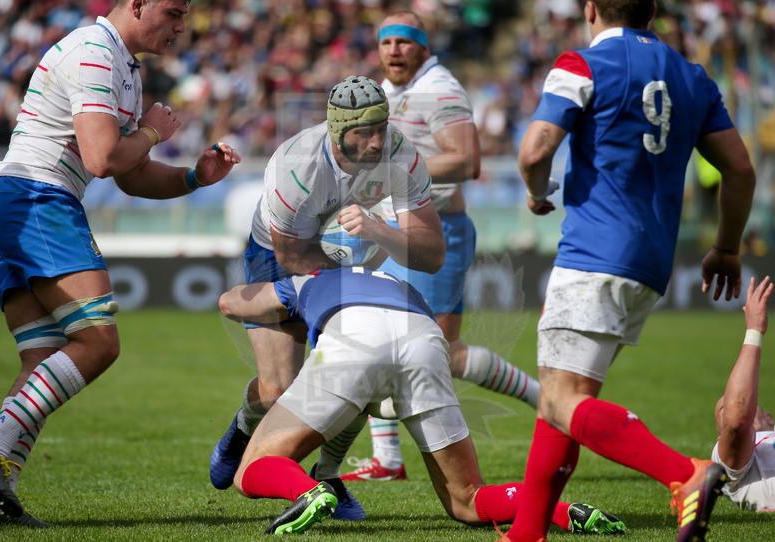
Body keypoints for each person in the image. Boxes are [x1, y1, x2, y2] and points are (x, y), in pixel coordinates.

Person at [0, 0, 240, 527]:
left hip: (12, 198)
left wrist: (193, 178)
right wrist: (152, 131)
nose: (182, 26)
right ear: (137, 4)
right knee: (98, 341)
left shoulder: (124, 68)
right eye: (173, 12)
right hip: (37, 198)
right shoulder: (95, 51)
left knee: (42, 358)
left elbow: (130, 176)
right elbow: (101, 158)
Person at [505, 1, 756, 542]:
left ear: (591, 8)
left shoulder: (581, 64)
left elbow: (534, 152)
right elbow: (739, 168)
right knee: (564, 397)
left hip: (594, 253)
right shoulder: (693, 77)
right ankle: (526, 533)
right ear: (653, 10)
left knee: (560, 399)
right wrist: (727, 248)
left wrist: (535, 191)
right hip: (651, 261)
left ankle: (685, 474)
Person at [218, 266, 626, 536]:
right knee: (468, 500)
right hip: (423, 339)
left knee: (251, 469)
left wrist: (278, 300)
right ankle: (564, 512)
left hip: (353, 337)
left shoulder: (309, 278)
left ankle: (312, 490)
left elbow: (231, 303)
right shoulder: (399, 283)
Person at [209, 75, 445, 519]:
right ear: (338, 131)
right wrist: (351, 268)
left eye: (382, 128)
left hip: (351, 254)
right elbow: (291, 255)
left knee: (356, 365)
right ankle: (243, 426)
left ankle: (329, 473)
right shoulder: (296, 166)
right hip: (278, 256)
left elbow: (432, 254)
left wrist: (380, 233)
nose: (377, 142)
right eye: (364, 132)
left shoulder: (400, 152)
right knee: (277, 390)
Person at [339, 9, 540, 484]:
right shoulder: (387, 91)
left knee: (444, 352)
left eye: (404, 41)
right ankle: (387, 459)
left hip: (436, 230)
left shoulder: (439, 89)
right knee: (375, 334)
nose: (394, 50)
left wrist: (394, 171)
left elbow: (467, 160)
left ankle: (548, 401)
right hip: (392, 228)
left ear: (424, 47)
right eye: (386, 42)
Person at [712, 275, 775, 512]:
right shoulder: (732, 469)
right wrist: (754, 331)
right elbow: (738, 421)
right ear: (721, 441)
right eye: (723, 409)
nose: (730, 405)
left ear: (769, 418)